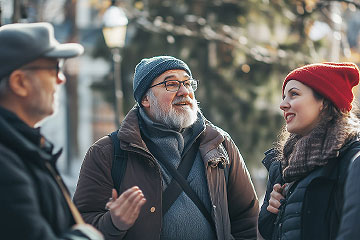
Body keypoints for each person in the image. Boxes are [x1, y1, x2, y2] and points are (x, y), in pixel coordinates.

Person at [73, 56, 259, 240]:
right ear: (145, 99)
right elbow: (82, 227)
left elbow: (247, 219)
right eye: (171, 84)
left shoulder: (219, 143)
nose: (184, 91)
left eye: (187, 83)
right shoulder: (107, 153)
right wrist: (113, 223)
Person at [0, 22, 103, 240]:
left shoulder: (22, 147)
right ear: (19, 82)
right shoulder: (6, 159)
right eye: (54, 68)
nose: (61, 79)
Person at [258, 62, 360, 240]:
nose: (282, 105)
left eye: (294, 94)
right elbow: (267, 232)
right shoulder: (282, 165)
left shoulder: (350, 157)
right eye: (283, 97)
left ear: (324, 101)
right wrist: (272, 211)